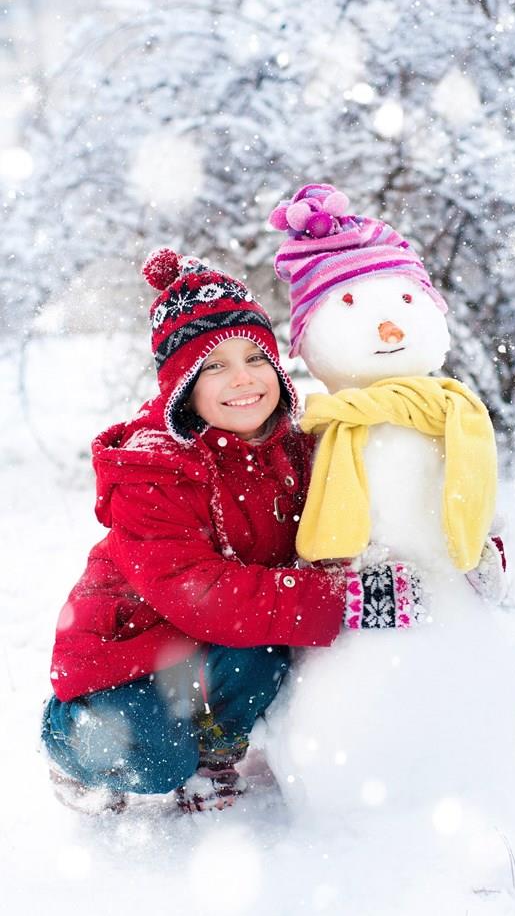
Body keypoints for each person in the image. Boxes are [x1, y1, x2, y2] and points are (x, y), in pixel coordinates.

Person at [41, 248, 424, 815]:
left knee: (265, 650)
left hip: (204, 650)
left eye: (255, 357)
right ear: (181, 386)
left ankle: (211, 753)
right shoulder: (151, 471)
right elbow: (203, 594)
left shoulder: (294, 448)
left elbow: (372, 503)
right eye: (213, 366)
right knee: (156, 756)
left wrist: (459, 549)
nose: (242, 379)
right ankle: (73, 746)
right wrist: (346, 601)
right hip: (118, 664)